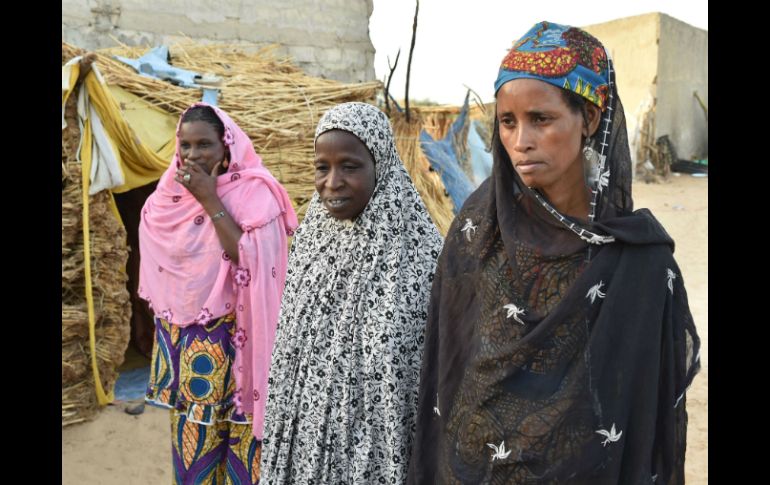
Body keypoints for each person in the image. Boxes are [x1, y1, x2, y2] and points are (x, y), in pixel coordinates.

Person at [407, 21, 701, 484]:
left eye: (540, 119)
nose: (520, 141)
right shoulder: (479, 228)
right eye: (507, 122)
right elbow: (451, 364)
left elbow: (644, 414)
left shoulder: (642, 261)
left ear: (589, 119)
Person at [259, 102, 443, 483]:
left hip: (379, 459)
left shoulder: (419, 256)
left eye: (350, 166)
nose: (332, 181)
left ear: (382, 166)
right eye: (322, 167)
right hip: (307, 451)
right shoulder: (311, 245)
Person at [138, 102, 297, 484]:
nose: (192, 155)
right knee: (195, 450)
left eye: (204, 144)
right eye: (185, 145)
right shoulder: (168, 195)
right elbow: (162, 260)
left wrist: (210, 199)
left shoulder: (255, 192)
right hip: (191, 345)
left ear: (226, 145)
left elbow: (248, 257)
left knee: (244, 449)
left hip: (242, 341)